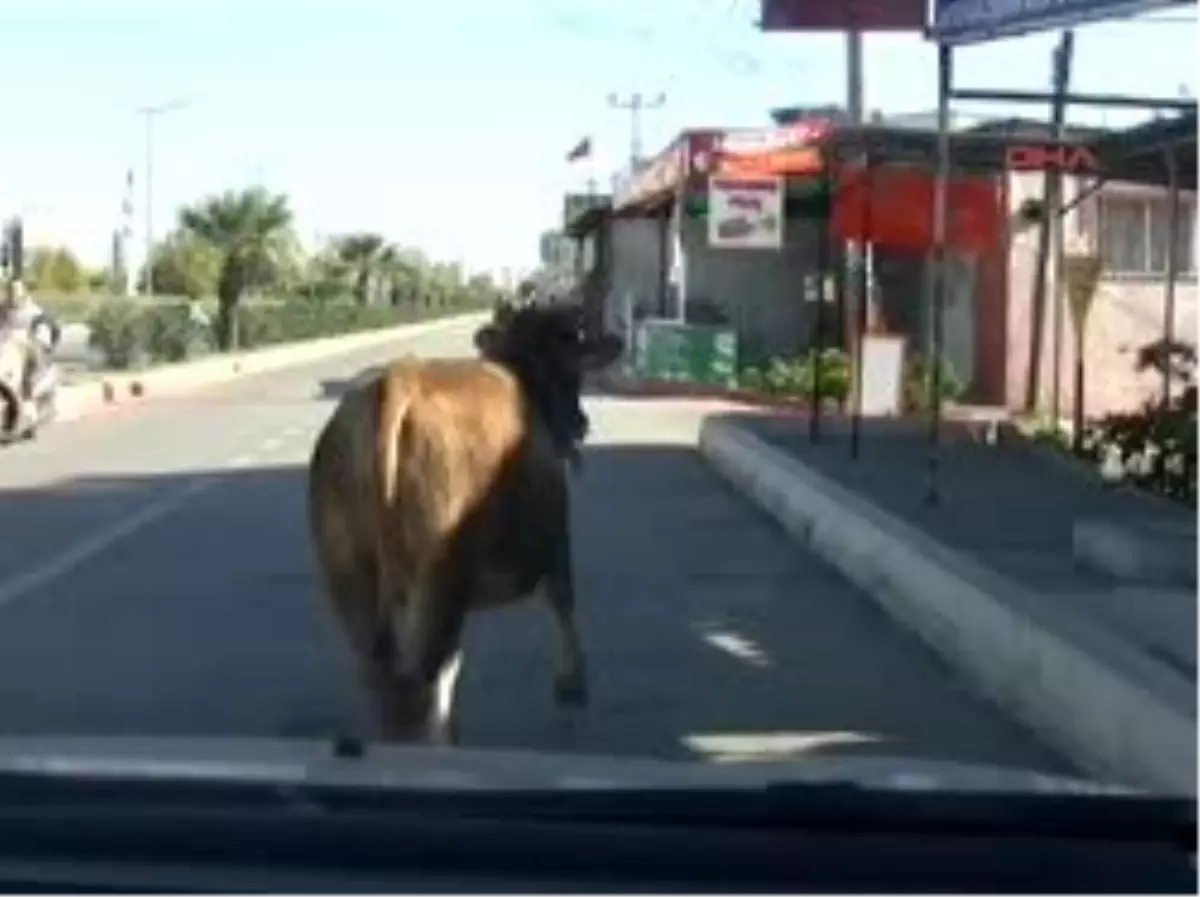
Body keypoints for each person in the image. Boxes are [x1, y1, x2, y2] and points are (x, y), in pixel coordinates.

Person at [0, 281, 60, 402]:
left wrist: (42, 343)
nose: (13, 295)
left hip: (25, 346)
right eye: (11, 291)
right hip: (5, 345)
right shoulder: (2, 311)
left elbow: (46, 332)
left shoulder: (35, 313)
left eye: (16, 291)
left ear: (24, 293)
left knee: (26, 356)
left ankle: (27, 390)